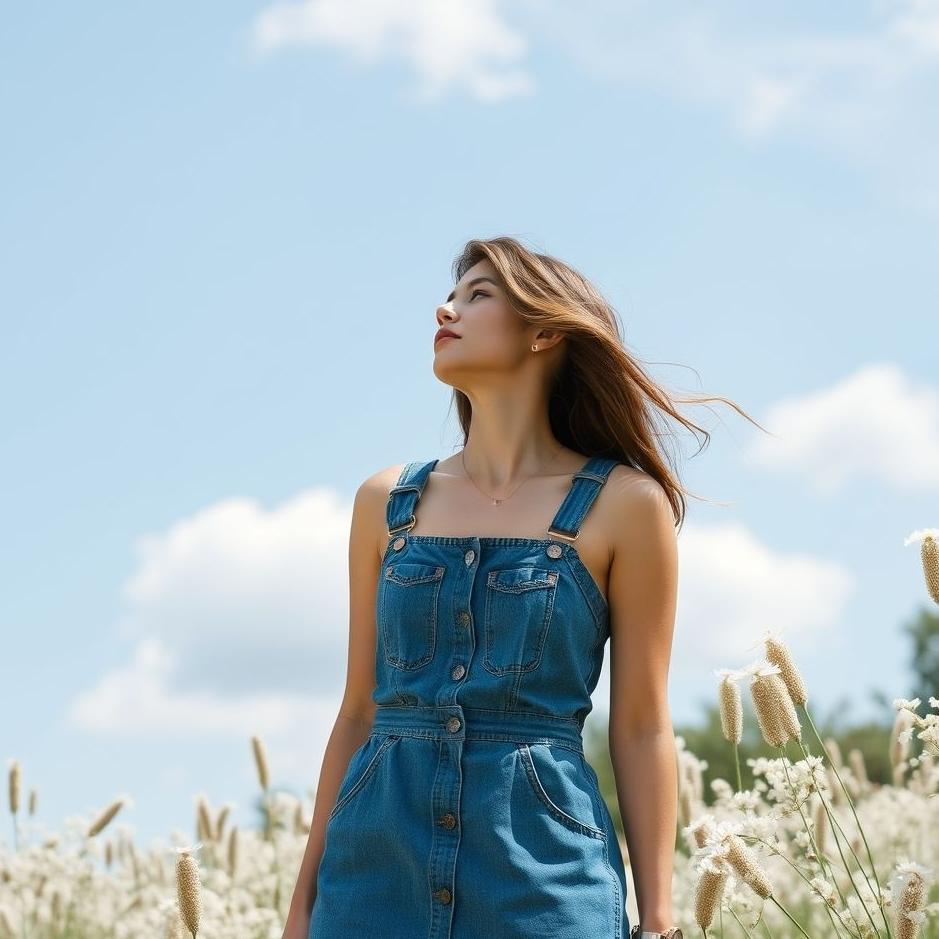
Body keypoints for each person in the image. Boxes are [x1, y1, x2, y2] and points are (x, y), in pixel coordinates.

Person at [282, 236, 759, 939]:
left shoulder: (624, 503)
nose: (446, 308)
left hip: (542, 870)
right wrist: (301, 907)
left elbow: (639, 723)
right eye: (451, 294)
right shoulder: (385, 501)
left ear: (544, 330)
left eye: (478, 295)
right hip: (372, 871)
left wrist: (658, 918)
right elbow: (357, 710)